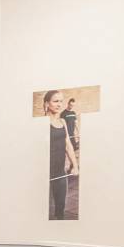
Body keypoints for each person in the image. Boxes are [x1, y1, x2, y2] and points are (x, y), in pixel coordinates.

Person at [45, 89, 81, 219]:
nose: (59, 104)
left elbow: (68, 145)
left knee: (60, 208)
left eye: (61, 101)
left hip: (60, 172)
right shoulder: (42, 123)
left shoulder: (62, 121)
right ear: (47, 103)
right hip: (45, 170)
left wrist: (75, 165)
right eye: (55, 101)